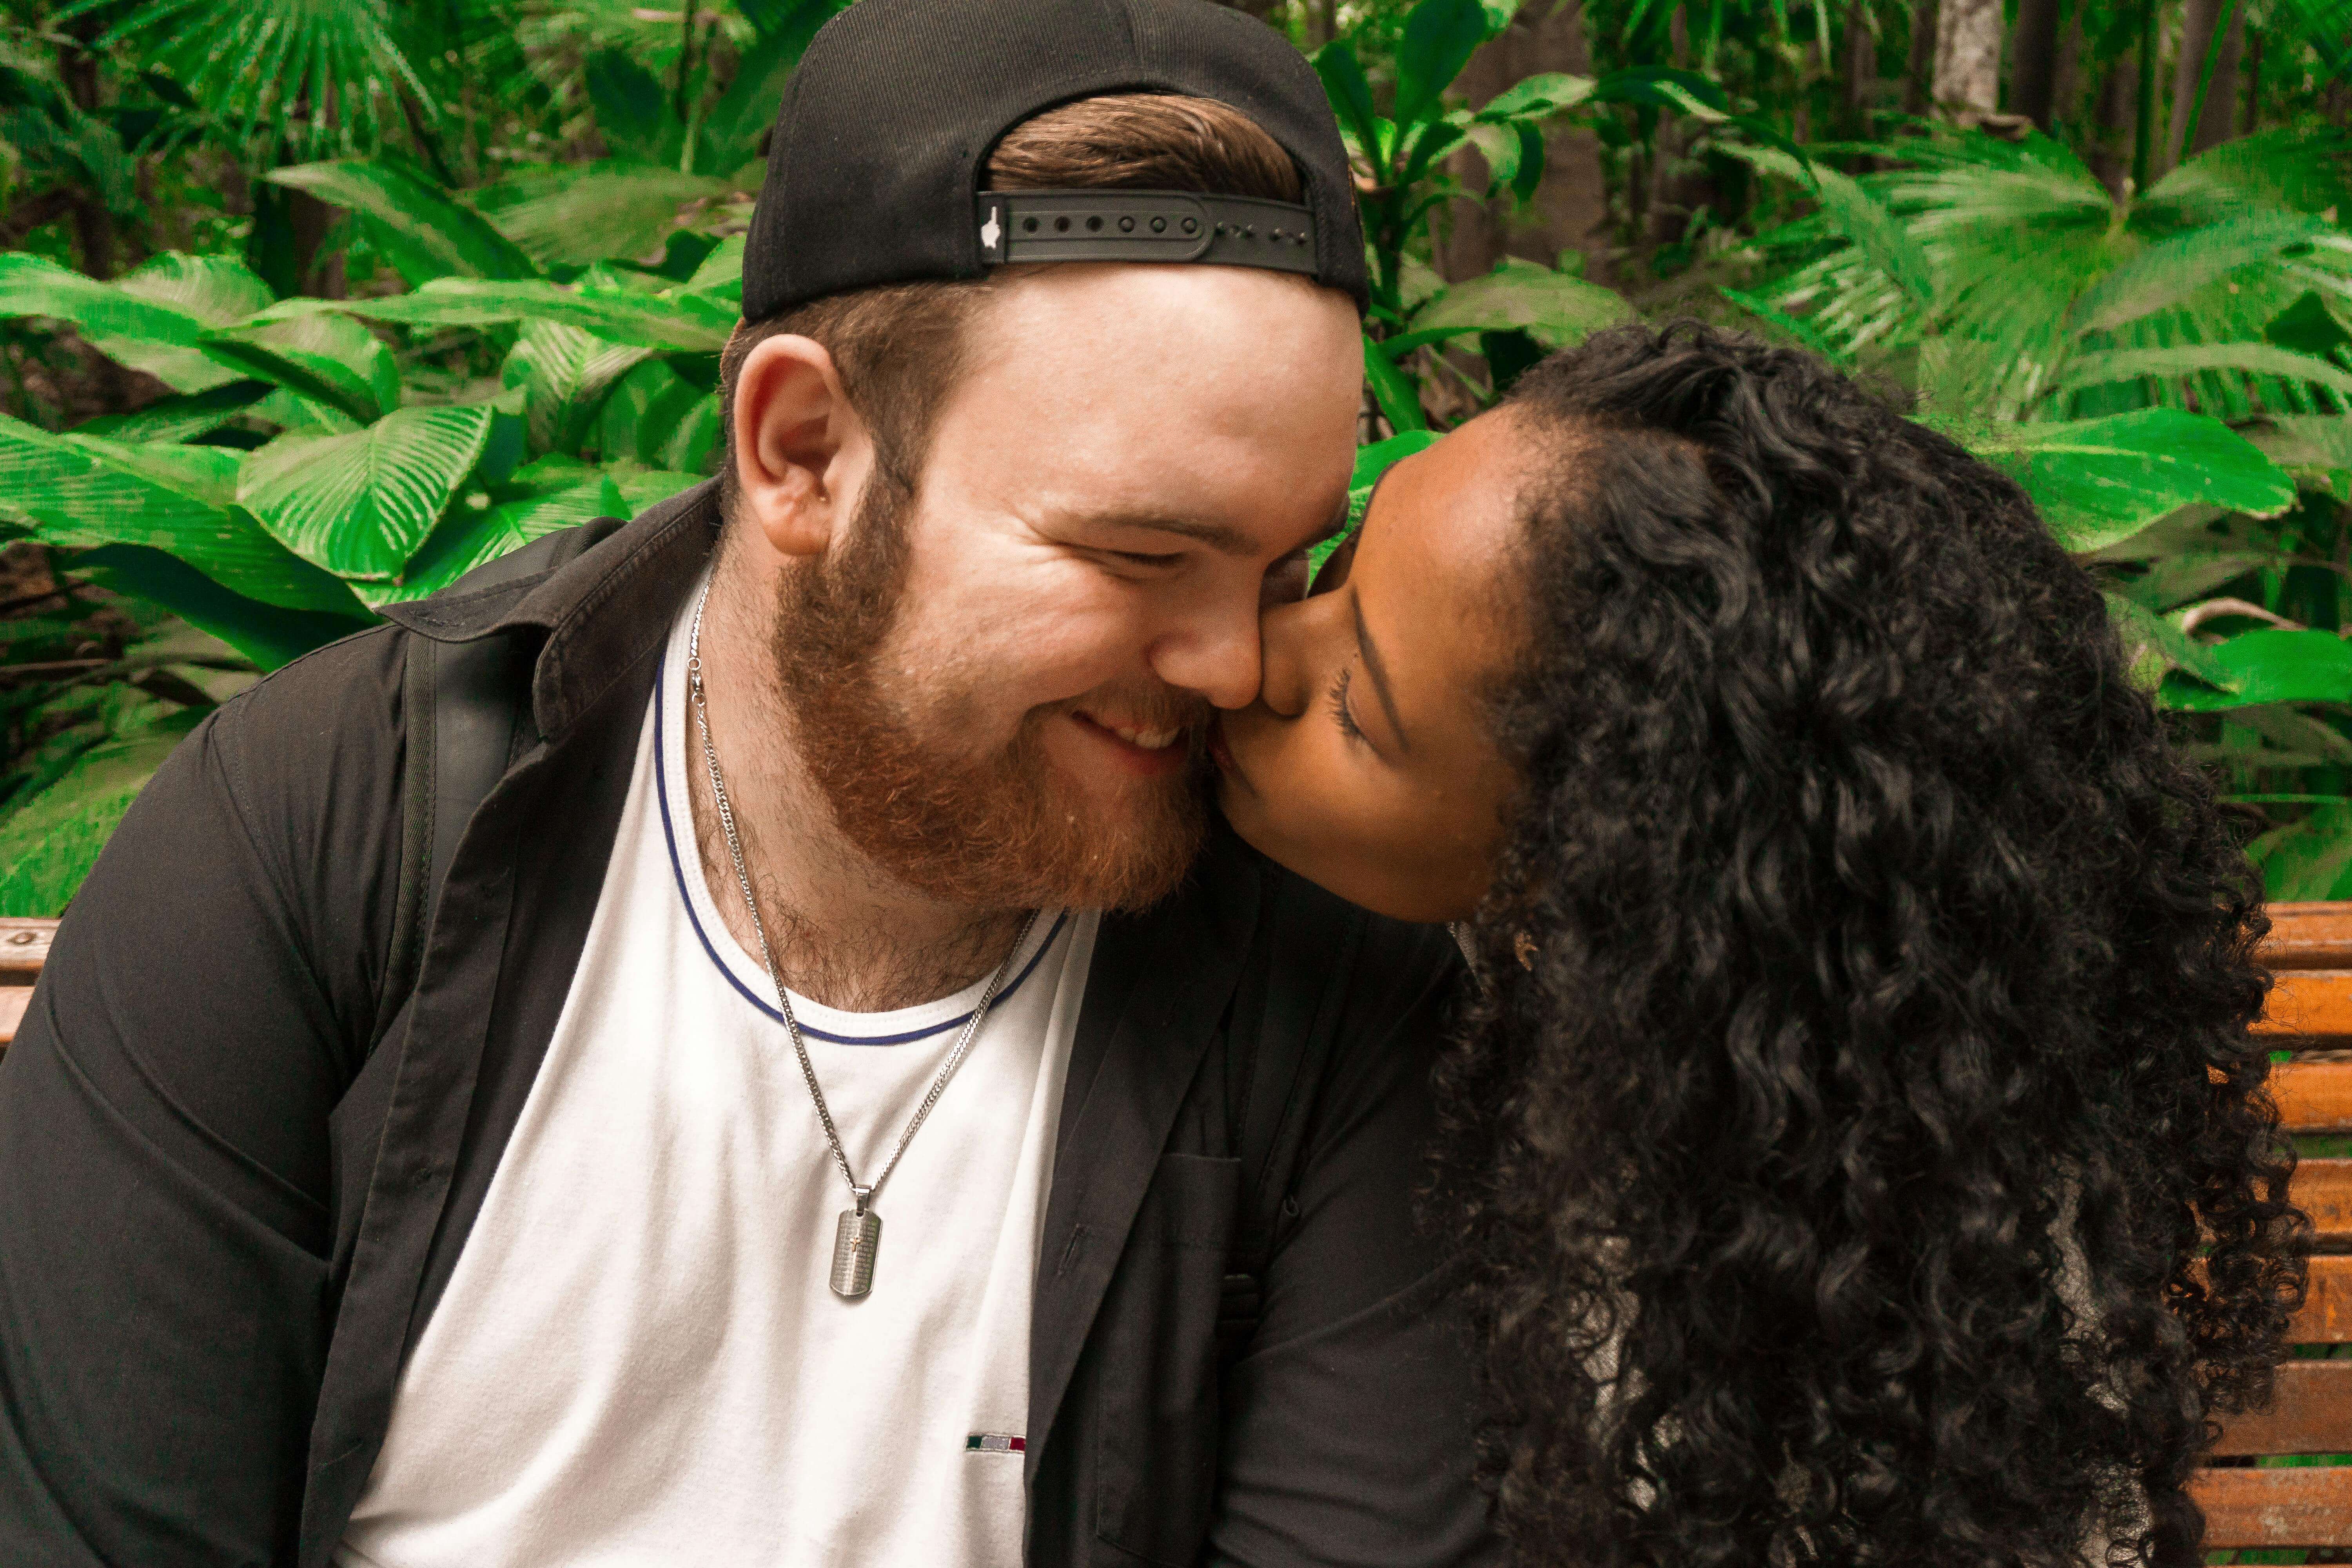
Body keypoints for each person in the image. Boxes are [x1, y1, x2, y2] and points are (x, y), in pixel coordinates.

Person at [0, 4, 1499, 1566]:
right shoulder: (325, 835)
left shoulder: (1330, 980)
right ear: (802, 449)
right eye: (1141, 554)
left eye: (1282, 561)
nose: (1234, 668)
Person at [1213, 322, 2309, 1567]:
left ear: (1592, 886)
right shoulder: (1573, 969)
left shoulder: (1871, 1262)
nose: (1250, 661)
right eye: (1341, 568)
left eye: (1358, 713)